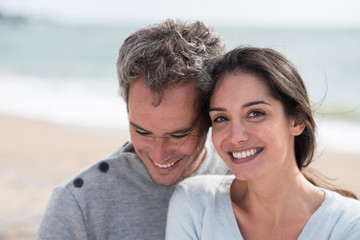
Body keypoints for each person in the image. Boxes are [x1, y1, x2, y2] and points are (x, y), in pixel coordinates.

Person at [37, 19, 229, 240]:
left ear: (211, 118)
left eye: (178, 135)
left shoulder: (244, 179)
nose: (159, 154)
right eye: (142, 132)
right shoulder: (76, 205)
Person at [166, 47, 360, 240]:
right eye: (221, 118)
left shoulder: (349, 224)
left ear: (297, 121)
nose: (235, 137)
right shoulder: (195, 204)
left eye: (255, 113)